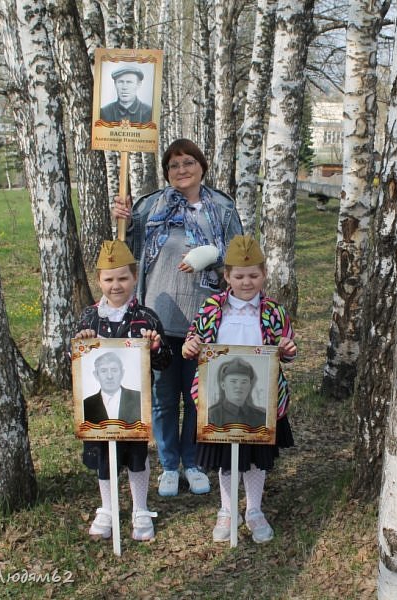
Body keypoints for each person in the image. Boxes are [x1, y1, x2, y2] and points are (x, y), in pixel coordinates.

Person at [112, 138, 243, 497]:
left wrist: (213, 255)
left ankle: (194, 461)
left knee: (197, 397)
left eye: (188, 163)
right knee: (164, 398)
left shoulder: (222, 207)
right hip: (158, 317)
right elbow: (127, 251)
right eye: (173, 165)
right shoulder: (150, 205)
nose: (181, 170)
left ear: (202, 166)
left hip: (204, 321)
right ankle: (170, 465)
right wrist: (121, 220)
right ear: (166, 172)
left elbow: (239, 259)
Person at [182, 235, 297, 544]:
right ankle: (228, 509)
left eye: (254, 275)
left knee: (256, 456)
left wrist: (286, 348)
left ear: (264, 275)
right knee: (226, 457)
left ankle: (255, 509)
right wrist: (190, 346)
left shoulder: (274, 311)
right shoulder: (211, 308)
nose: (247, 282)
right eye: (239, 276)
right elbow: (193, 340)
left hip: (261, 397)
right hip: (220, 397)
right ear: (227, 277)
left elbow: (286, 347)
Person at [75, 240, 171, 542]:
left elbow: (165, 361)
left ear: (134, 277)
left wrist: (155, 346)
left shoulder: (147, 317)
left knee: (136, 457)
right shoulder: (89, 317)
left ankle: (140, 508)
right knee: (105, 456)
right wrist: (81, 343)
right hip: (99, 407)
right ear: (99, 280)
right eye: (108, 279)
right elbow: (77, 361)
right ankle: (107, 507)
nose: (116, 286)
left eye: (123, 278)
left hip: (134, 404)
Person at [83, 352, 141, 425]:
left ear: (122, 373)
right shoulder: (86, 405)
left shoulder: (139, 398)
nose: (109, 376)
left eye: (114, 370)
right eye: (103, 371)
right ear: (96, 375)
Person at [209, 358, 266, 429]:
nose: (239, 386)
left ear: (250, 386)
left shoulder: (261, 417)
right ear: (223, 385)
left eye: (244, 382)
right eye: (233, 381)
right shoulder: (211, 416)